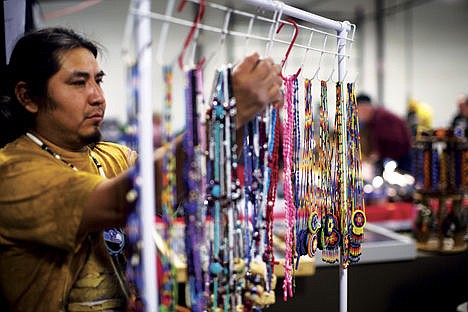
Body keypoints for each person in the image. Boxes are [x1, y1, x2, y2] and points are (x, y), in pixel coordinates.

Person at [0, 27, 283, 311]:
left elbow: (181, 186)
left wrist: (242, 122)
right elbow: (124, 198)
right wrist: (221, 118)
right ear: (28, 97)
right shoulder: (11, 173)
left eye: (98, 81)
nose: (97, 96)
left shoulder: (111, 156)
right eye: (78, 83)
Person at [356, 93, 413, 176]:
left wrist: (377, 155)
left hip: (401, 159)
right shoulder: (374, 119)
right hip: (395, 157)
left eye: (358, 111)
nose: (358, 116)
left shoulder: (382, 118)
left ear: (365, 108)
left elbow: (392, 141)